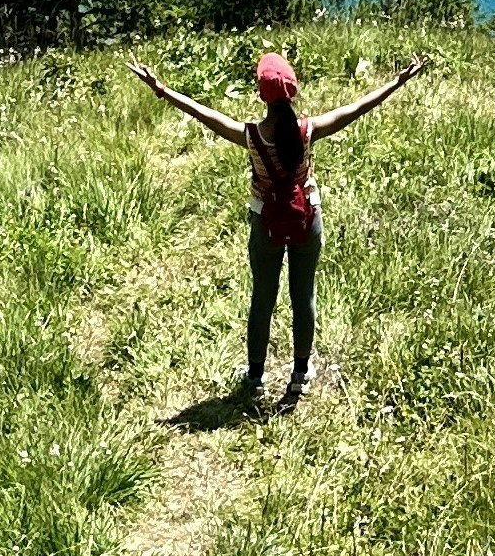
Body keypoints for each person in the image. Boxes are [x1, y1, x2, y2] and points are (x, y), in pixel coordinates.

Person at [131, 45, 427, 409]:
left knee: (262, 299)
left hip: (265, 222)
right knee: (304, 297)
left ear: (261, 95)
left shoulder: (250, 135)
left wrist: (160, 88)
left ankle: (255, 378)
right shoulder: (308, 130)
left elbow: (202, 112)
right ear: (294, 90)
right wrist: (397, 82)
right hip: (307, 219)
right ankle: (300, 374)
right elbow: (357, 108)